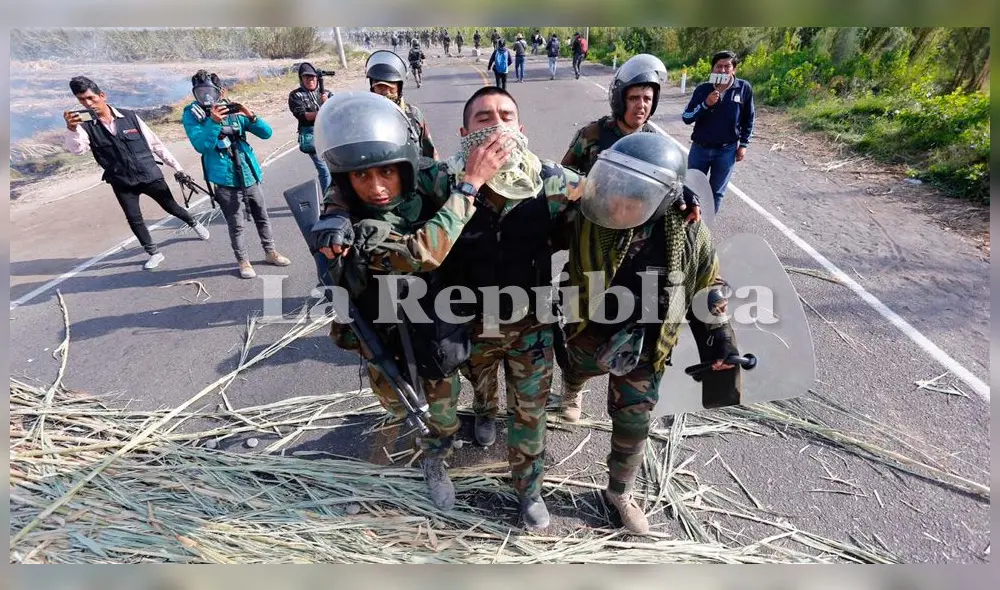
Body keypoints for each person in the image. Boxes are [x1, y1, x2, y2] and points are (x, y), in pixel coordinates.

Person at [310, 92, 510, 511]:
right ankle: (435, 461)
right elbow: (421, 252)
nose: (377, 187)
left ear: (403, 165)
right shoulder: (361, 228)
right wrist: (335, 211)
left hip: (444, 311)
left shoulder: (424, 176)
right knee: (422, 411)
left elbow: (493, 180)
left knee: (467, 385)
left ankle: (483, 415)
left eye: (387, 172)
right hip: (388, 325)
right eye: (362, 177)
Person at [552, 132, 735, 534]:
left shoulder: (687, 230)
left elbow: (708, 283)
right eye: (621, 185)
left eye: (639, 192)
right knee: (576, 367)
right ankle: (572, 389)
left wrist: (720, 340)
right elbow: (547, 194)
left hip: (645, 338)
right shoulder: (590, 214)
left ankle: (619, 490)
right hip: (589, 324)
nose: (624, 200)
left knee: (635, 420)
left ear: (666, 195)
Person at [559, 54, 699, 421]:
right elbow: (564, 181)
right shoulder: (592, 136)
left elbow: (674, 187)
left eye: (648, 100)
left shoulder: (657, 143)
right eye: (635, 98)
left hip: (639, 250)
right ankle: (572, 388)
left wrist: (685, 195)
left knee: (636, 321)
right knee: (579, 331)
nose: (641, 106)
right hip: (594, 242)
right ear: (620, 98)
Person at [63, 75, 210, 270]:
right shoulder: (85, 127)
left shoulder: (130, 117)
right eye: (82, 100)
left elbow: (156, 144)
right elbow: (77, 150)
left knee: (171, 206)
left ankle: (193, 223)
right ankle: (154, 253)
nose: (88, 103)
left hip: (149, 174)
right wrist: (72, 129)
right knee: (134, 218)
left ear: (102, 95)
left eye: (91, 98)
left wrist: (178, 168)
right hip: (121, 181)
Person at [181, 70, 291, 279]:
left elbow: (266, 133)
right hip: (225, 178)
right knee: (236, 223)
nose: (206, 97)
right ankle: (243, 261)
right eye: (200, 92)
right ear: (195, 93)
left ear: (220, 91)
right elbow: (202, 146)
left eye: (210, 92)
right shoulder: (192, 114)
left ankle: (270, 252)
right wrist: (213, 122)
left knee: (262, 216)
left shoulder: (232, 109)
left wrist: (250, 115)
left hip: (249, 172)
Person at [681, 50, 755, 213]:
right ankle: (687, 227)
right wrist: (706, 104)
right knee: (691, 189)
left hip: (726, 151)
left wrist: (743, 145)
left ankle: (705, 230)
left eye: (727, 66)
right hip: (700, 149)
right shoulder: (703, 89)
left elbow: (749, 119)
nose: (722, 70)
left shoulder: (743, 89)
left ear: (734, 69)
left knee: (716, 193)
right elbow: (686, 117)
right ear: (712, 69)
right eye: (718, 66)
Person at [366, 50, 438, 159]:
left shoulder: (413, 115)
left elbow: (431, 154)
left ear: (399, 88)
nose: (386, 92)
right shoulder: (364, 118)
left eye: (390, 87)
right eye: (380, 87)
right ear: (372, 88)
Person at [287, 62, 334, 195]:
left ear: (317, 78)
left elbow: (337, 112)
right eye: (306, 77)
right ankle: (328, 200)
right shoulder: (295, 95)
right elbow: (302, 115)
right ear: (301, 79)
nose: (310, 80)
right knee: (324, 170)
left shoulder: (327, 94)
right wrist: (325, 109)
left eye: (312, 77)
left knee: (336, 168)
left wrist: (329, 103)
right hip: (311, 135)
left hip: (330, 135)